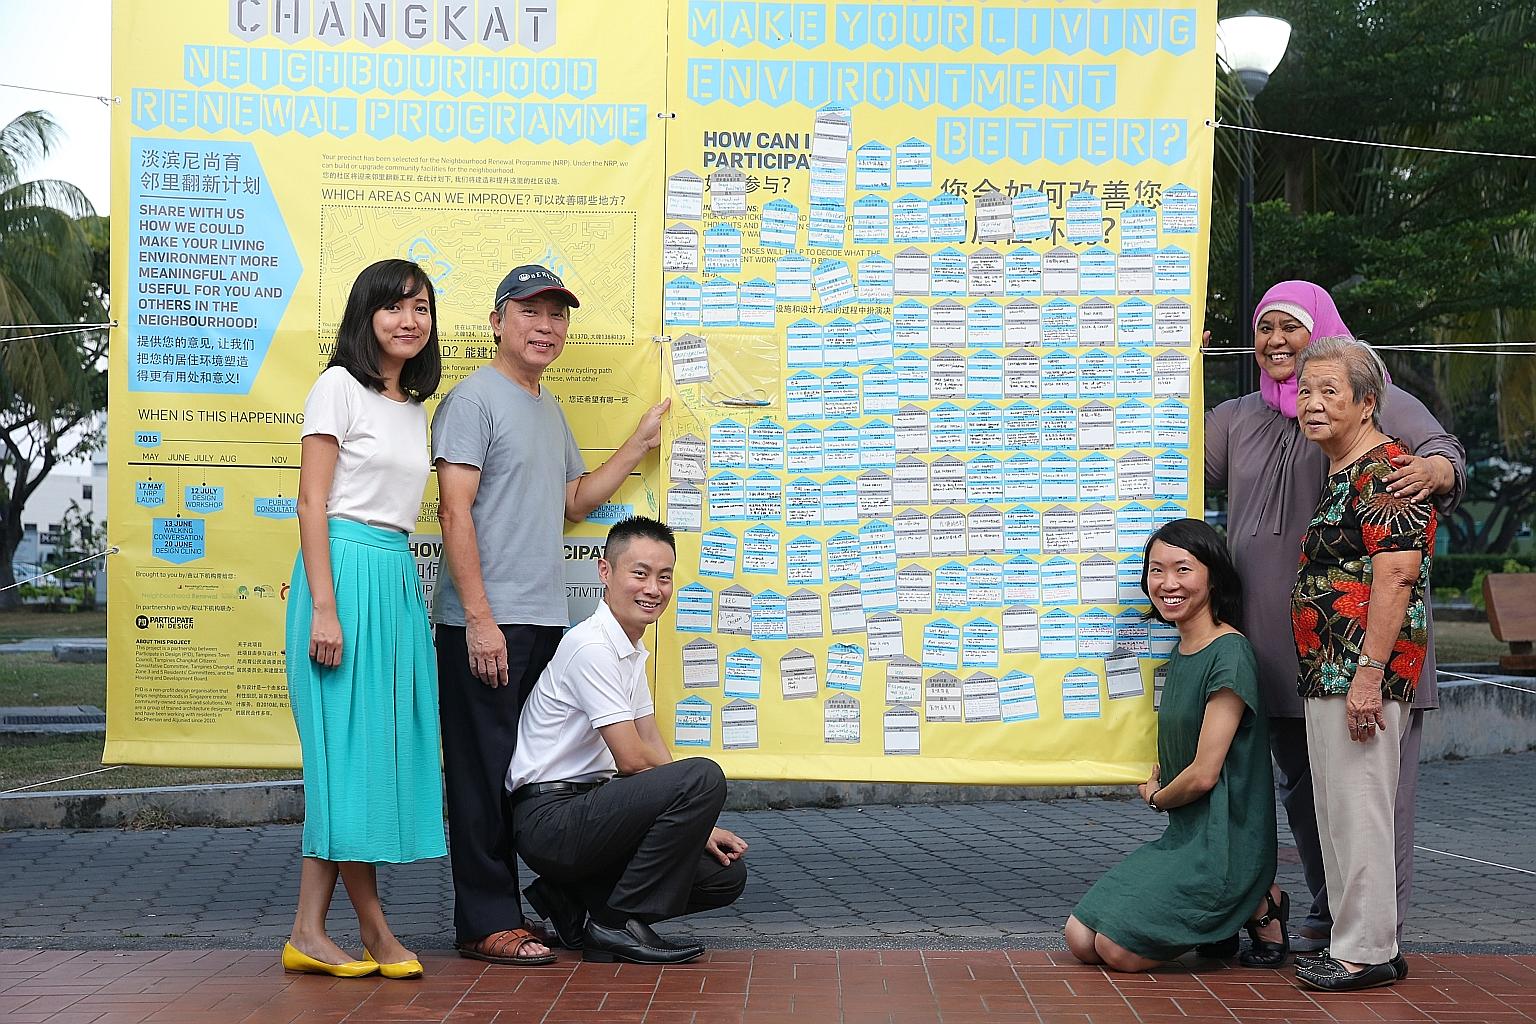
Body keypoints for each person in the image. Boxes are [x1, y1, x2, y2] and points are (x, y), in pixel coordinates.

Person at [1205, 280, 1464, 953]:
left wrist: (1432, 473)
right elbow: (1163, 458)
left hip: (1359, 650)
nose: (1276, 341)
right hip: (1277, 650)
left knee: (1374, 800)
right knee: (1306, 792)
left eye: (1291, 326)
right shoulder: (1237, 417)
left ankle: (1375, 938)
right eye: (1264, 328)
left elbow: (1440, 455)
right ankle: (1332, 914)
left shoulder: (1365, 393)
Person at [432, 264, 670, 965]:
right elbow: (453, 509)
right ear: (498, 321)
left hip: (539, 621)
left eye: (557, 315)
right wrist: (478, 617)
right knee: (480, 777)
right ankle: (484, 922)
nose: (547, 326)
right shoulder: (473, 399)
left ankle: (535, 906)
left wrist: (636, 445)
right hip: (486, 620)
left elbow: (574, 501)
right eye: (531, 311)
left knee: (526, 772)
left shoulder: (545, 404)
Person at [282, 259, 446, 980]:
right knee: (347, 767)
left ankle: (307, 934)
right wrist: (324, 605)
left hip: (393, 577)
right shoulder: (336, 388)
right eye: (395, 306)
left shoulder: (412, 407)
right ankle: (377, 932)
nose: (410, 319)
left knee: (364, 762)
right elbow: (311, 504)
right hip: (341, 578)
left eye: (423, 307)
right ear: (365, 314)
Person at [507, 516, 748, 965]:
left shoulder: (629, 649)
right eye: (639, 573)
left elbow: (652, 744)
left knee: (722, 877)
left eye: (664, 577)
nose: (653, 589)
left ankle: (574, 903)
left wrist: (699, 825)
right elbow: (634, 762)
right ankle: (614, 926)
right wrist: (694, 799)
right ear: (605, 572)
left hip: (592, 814)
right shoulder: (593, 647)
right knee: (704, 776)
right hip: (552, 819)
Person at [1066, 519, 1282, 972]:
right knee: (1081, 938)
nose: (1167, 583)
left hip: (1225, 846)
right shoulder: (1180, 652)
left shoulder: (1229, 653)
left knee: (1118, 952)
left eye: (1183, 569)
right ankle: (1222, 923)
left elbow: (1204, 774)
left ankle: (1260, 901)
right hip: (1184, 838)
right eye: (1156, 570)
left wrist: (1158, 798)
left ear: (1213, 576)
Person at [1290, 337, 1435, 991]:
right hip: (1331, 671)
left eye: (1329, 392)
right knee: (1339, 813)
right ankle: (1363, 941)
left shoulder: (1387, 472)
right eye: (1305, 392)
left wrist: (1368, 675)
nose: (1312, 405)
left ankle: (1366, 952)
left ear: (1367, 402)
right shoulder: (1344, 468)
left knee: (1361, 811)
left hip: (1359, 672)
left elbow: (1399, 574)